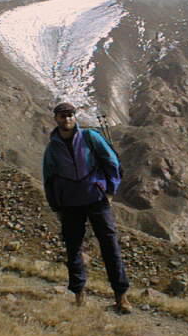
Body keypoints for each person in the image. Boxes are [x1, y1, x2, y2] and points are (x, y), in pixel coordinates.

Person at [42, 102, 132, 313]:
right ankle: (79, 295)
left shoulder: (90, 137)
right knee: (73, 249)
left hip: (96, 199)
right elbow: (49, 178)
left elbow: (112, 162)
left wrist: (110, 191)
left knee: (110, 246)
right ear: (56, 118)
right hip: (70, 204)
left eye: (70, 115)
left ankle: (121, 296)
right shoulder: (52, 148)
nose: (67, 119)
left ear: (75, 117)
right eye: (63, 116)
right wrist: (55, 205)